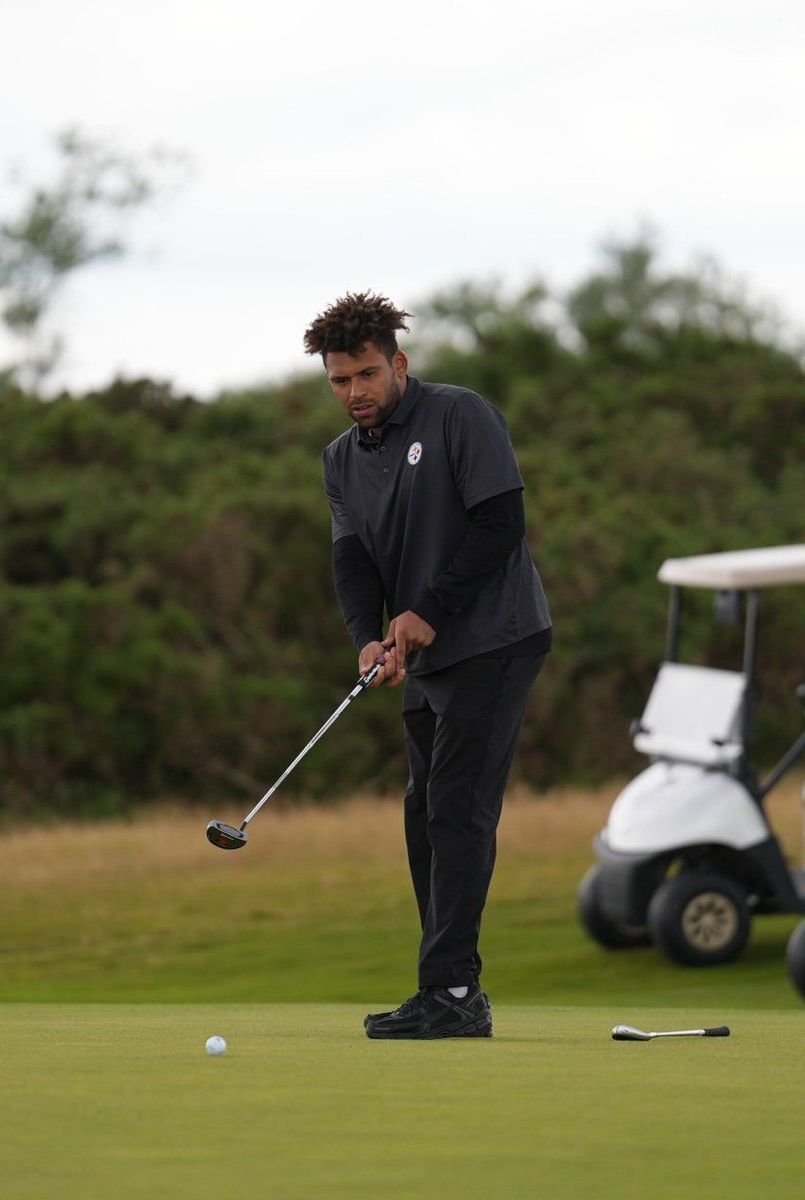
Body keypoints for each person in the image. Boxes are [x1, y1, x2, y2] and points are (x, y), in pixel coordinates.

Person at [304, 291, 552, 1040]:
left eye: (367, 374)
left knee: (457, 809)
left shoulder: (459, 415)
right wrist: (369, 636)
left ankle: (451, 991)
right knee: (422, 816)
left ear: (399, 365)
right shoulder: (341, 460)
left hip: (496, 639)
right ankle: (443, 984)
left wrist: (427, 612)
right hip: (430, 654)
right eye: (340, 380)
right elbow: (352, 558)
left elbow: (500, 523)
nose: (355, 392)